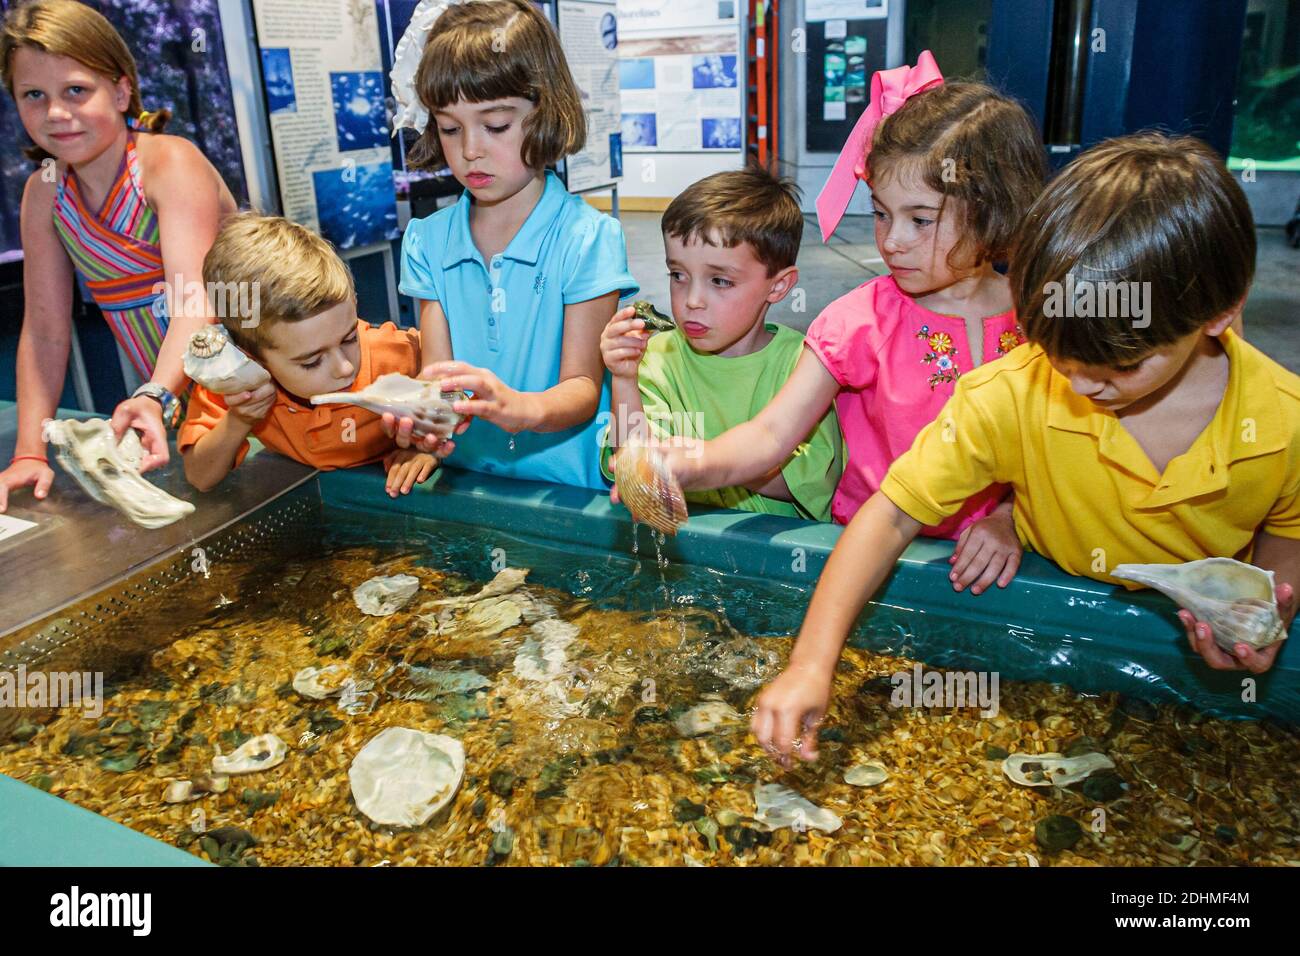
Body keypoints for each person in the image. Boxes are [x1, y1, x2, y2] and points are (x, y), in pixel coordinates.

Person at [752, 133, 1300, 766]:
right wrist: (810, 664)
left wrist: (1259, 614)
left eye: (1120, 365)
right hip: (1041, 610)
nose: (1082, 386)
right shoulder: (1012, 394)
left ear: (1220, 313)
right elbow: (892, 514)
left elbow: (1287, 530)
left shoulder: (1282, 421)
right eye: (1061, 355)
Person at [654, 54, 1046, 593]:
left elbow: (1049, 452)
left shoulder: (1040, 322)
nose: (892, 240)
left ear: (992, 208)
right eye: (881, 213)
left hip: (990, 569)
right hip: (864, 562)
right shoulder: (858, 321)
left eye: (920, 220)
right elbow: (771, 434)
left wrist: (1008, 518)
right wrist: (690, 462)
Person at [387, 0, 638, 489]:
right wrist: (419, 421)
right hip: (465, 482)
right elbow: (437, 374)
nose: (470, 149)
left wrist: (518, 408)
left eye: (496, 125)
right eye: (450, 128)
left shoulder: (587, 238)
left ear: (544, 113)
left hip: (567, 491)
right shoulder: (426, 241)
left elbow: (582, 387)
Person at [0, 0, 236, 511]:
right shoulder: (44, 192)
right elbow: (44, 330)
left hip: (262, 385)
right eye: (34, 95)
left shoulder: (169, 162)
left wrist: (154, 394)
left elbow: (196, 299)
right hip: (175, 405)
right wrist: (29, 452)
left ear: (122, 90)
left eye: (76, 90)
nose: (56, 112)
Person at [600, 165, 842, 520]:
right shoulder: (656, 358)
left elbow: (807, 482)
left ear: (778, 286)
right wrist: (623, 379)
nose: (692, 300)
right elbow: (635, 466)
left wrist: (706, 461)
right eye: (678, 275)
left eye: (720, 281)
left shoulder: (805, 364)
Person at [178, 213, 435, 497]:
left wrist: (431, 448)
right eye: (312, 362)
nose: (345, 367)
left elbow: (463, 391)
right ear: (250, 358)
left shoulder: (397, 354)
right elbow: (200, 476)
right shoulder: (233, 385)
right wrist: (240, 419)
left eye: (350, 338)